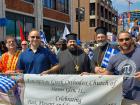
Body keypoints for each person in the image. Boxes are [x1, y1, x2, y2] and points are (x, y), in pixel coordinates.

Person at [98, 31, 140, 105]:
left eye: (127, 39)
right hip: (123, 99)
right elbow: (105, 75)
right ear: (118, 42)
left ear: (131, 40)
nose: (124, 42)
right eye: (121, 40)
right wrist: (88, 75)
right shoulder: (114, 58)